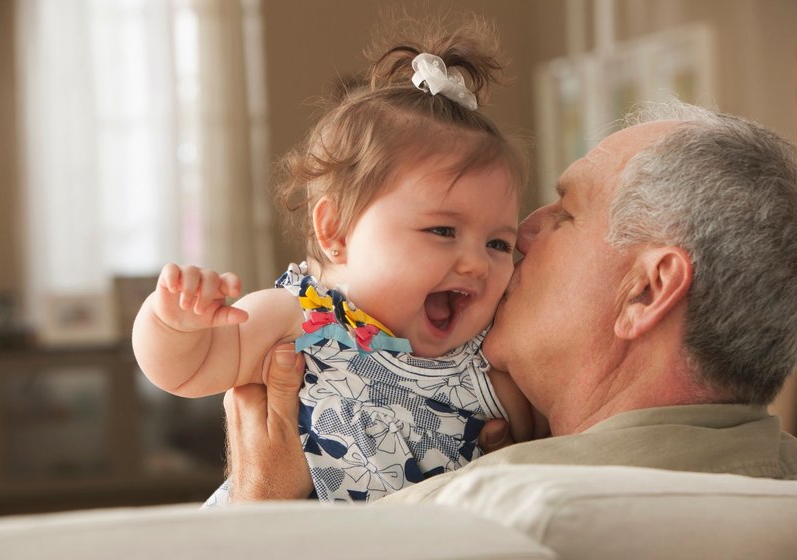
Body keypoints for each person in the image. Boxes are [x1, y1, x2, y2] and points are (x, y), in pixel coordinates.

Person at [218, 99, 797, 504]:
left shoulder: (471, 513)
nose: (520, 234)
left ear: (645, 291)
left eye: (566, 215)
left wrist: (262, 514)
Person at [132, 20, 543, 504]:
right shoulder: (299, 320)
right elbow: (185, 371)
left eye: (498, 243)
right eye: (442, 231)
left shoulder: (490, 362)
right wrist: (174, 323)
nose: (476, 263)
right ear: (336, 233)